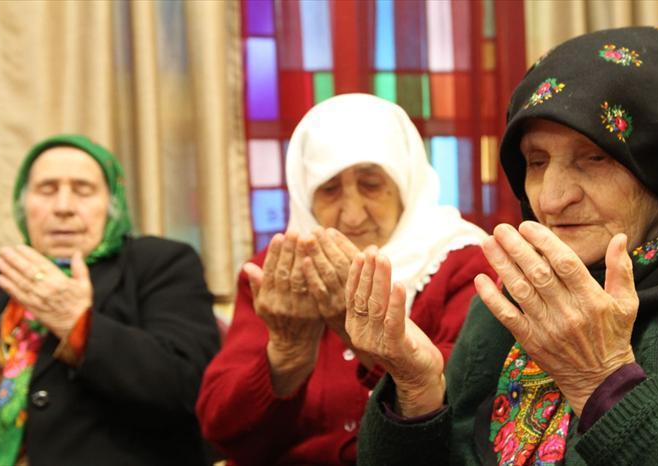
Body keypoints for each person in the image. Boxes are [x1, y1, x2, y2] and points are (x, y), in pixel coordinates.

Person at [350, 26, 658, 465]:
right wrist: (418, 394)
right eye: (537, 161)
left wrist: (603, 382)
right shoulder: (508, 304)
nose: (552, 198)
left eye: (595, 157)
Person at [196, 93, 495, 464]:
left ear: (405, 184)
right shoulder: (279, 277)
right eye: (329, 189)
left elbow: (468, 412)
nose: (352, 215)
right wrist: (287, 355)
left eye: (371, 184)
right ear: (305, 196)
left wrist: (358, 328)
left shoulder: (463, 264)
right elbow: (221, 429)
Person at [0, 135, 221, 466]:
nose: (63, 207)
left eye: (83, 190)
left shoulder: (159, 264)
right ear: (23, 205)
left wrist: (77, 323)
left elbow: (189, 385)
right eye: (47, 190)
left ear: (113, 204)